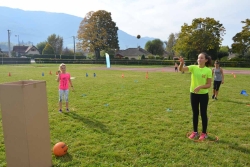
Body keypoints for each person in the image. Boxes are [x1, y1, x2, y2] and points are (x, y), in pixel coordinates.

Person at [179, 53, 212, 140]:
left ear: (206, 60)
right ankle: (195, 132)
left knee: (203, 113)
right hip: (193, 94)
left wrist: (200, 87)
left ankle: (204, 133)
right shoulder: (193, 67)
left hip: (204, 95)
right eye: (198, 58)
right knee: (195, 113)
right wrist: (182, 63)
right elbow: (181, 69)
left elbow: (209, 85)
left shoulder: (208, 70)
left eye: (201, 58)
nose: (199, 60)